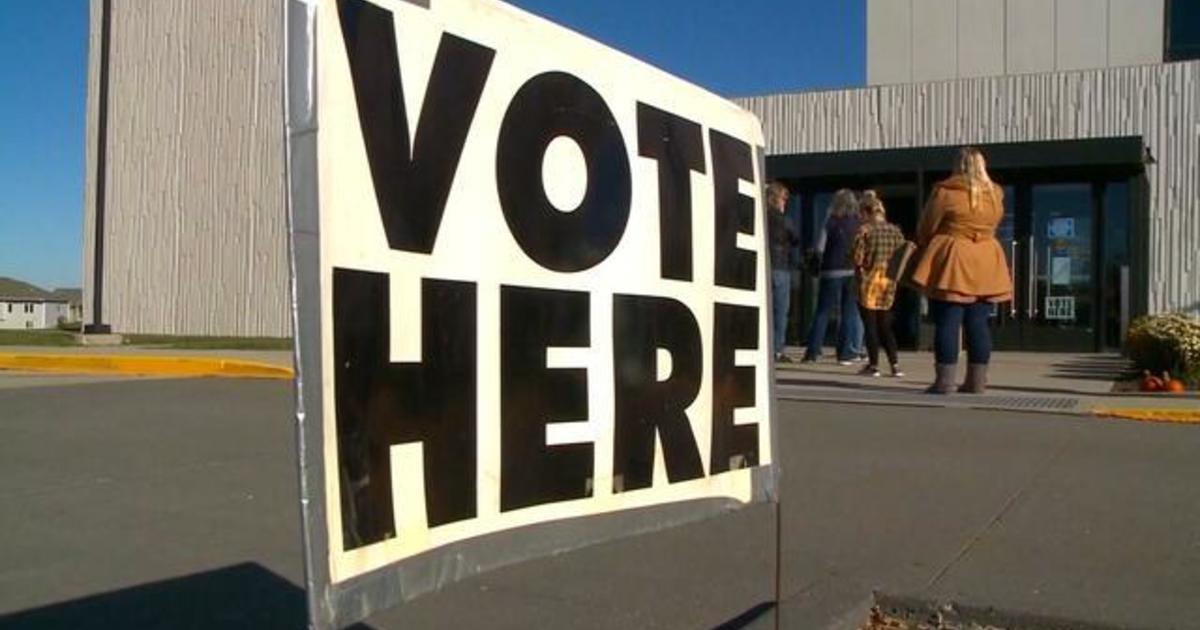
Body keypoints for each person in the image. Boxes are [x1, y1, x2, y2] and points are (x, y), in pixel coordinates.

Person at [909, 147, 1014, 394]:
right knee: (978, 323)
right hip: (987, 258)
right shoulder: (995, 194)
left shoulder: (945, 192)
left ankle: (944, 381)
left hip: (954, 258)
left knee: (948, 320)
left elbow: (926, 226)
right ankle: (977, 381)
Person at [801, 189, 863, 364]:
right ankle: (844, 354)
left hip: (831, 271)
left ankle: (812, 353)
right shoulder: (858, 223)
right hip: (851, 270)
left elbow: (820, 247)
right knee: (848, 313)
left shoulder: (830, 221)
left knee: (822, 312)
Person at [851, 191, 907, 378]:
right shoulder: (896, 231)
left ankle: (873, 365)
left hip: (868, 282)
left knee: (870, 325)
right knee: (886, 325)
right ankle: (895, 365)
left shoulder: (865, 232)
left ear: (866, 213)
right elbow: (902, 256)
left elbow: (857, 258)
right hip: (888, 282)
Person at [767, 181, 799, 362]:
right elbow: (795, 238)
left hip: (764, 267)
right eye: (783, 199)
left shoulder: (760, 217)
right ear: (776, 199)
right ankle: (777, 349)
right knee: (780, 311)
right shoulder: (783, 220)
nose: (785, 202)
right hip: (780, 267)